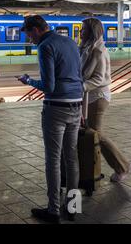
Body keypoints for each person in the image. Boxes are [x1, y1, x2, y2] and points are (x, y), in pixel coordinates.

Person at [18, 15, 83, 223]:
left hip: (56, 108)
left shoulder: (45, 46)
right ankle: (73, 207)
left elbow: (49, 86)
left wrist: (28, 81)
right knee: (71, 158)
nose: (29, 39)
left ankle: (53, 210)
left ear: (36, 29)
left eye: (29, 34)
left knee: (53, 160)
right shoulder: (71, 42)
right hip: (76, 104)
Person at [79, 17, 131, 182]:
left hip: (98, 96)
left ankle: (124, 167)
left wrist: (80, 86)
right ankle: (117, 167)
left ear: (92, 32)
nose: (80, 32)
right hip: (89, 96)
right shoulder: (87, 48)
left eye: (83, 29)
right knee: (93, 133)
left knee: (96, 133)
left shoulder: (99, 51)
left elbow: (100, 78)